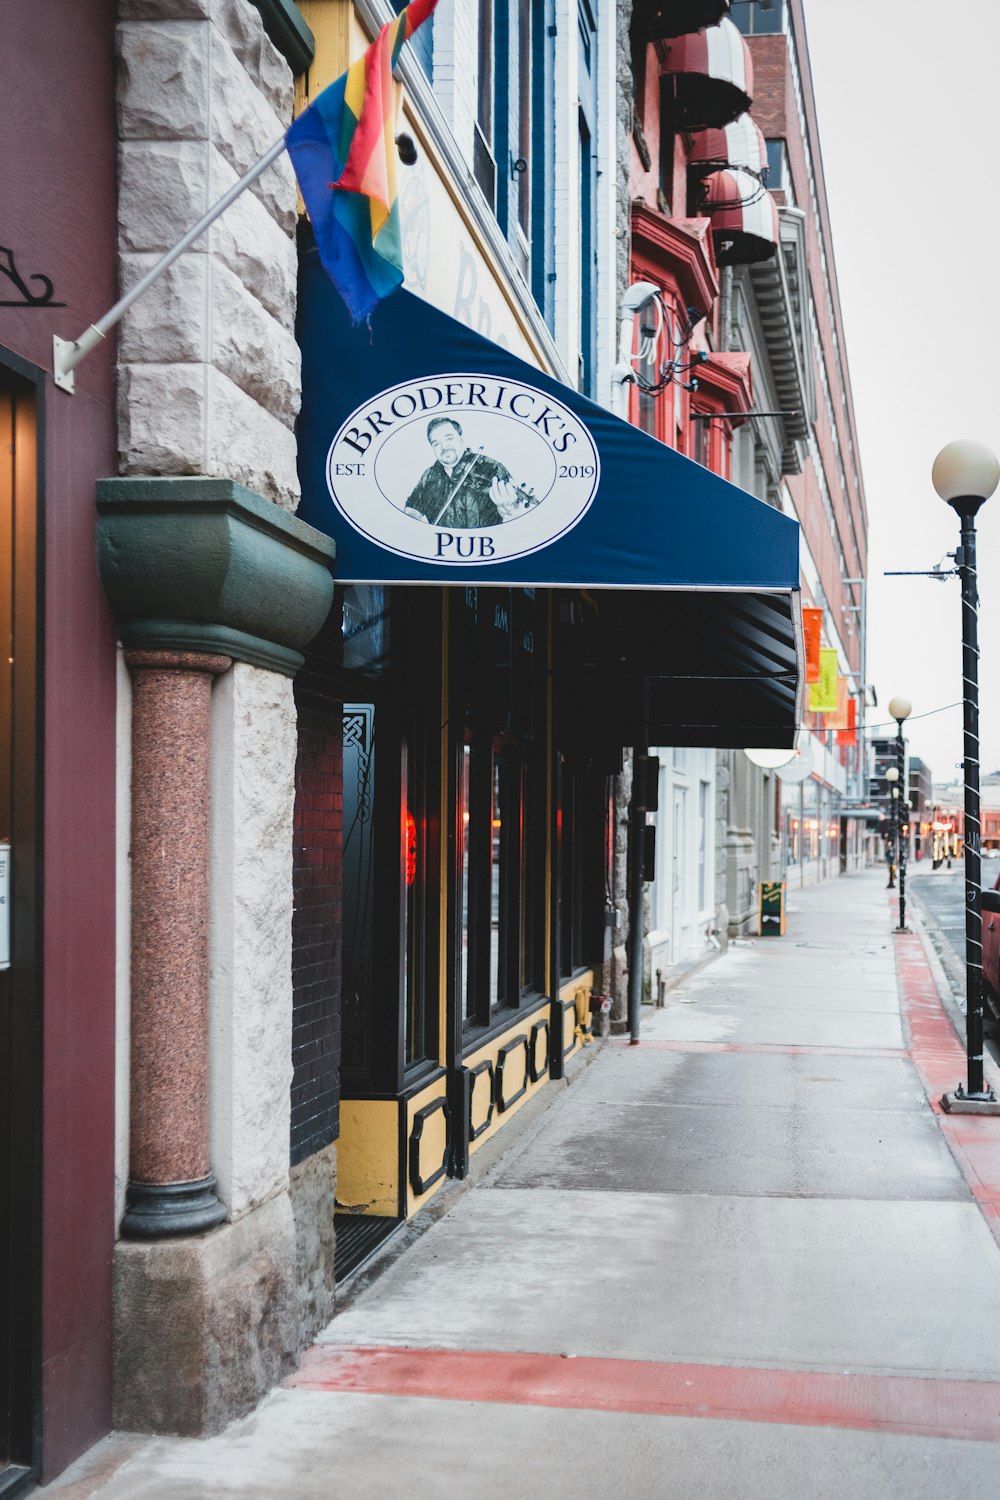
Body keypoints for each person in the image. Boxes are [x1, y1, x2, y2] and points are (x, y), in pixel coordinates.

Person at [404, 417, 536, 529]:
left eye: (449, 438)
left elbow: (517, 524)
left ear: (461, 438)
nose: (444, 447)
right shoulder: (430, 475)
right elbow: (412, 511)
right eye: (436, 443)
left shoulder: (492, 468)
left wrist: (510, 510)